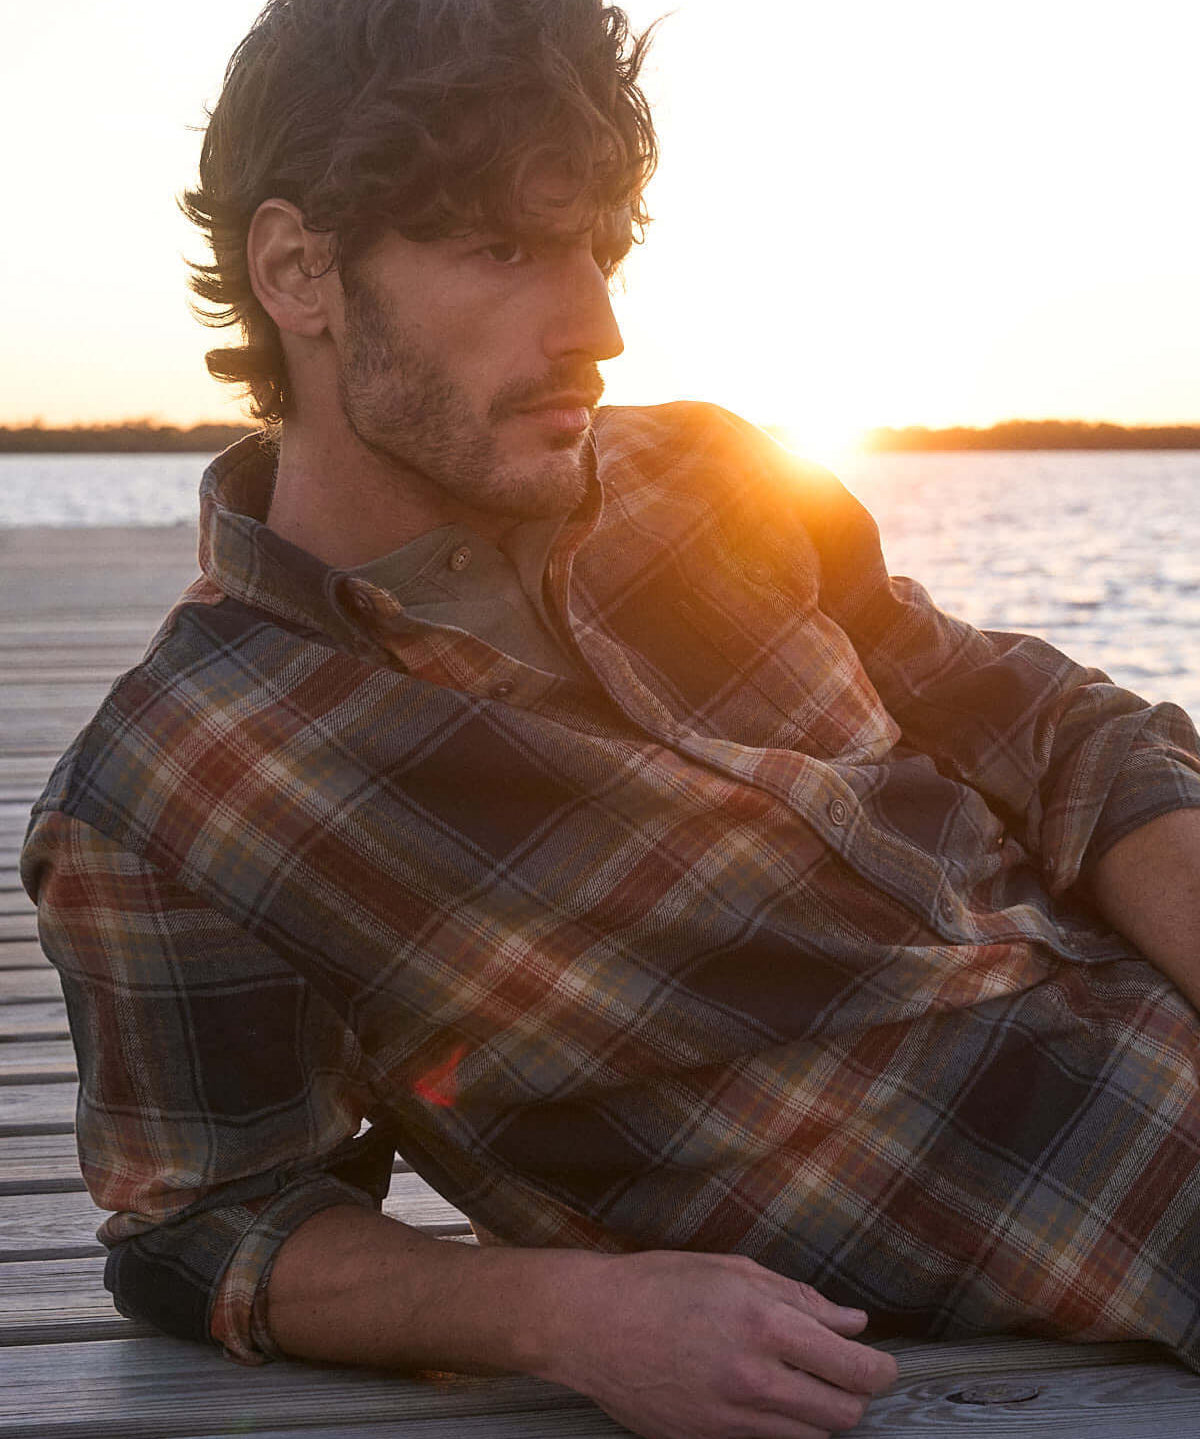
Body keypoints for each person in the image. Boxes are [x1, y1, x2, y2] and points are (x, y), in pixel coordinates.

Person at [20, 1, 1200, 1435]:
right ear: (299, 271)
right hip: (1110, 1226)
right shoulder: (176, 790)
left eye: (601, 248)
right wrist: (560, 1313)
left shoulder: (709, 473)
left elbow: (1035, 720)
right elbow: (209, 1225)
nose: (599, 327)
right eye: (506, 249)